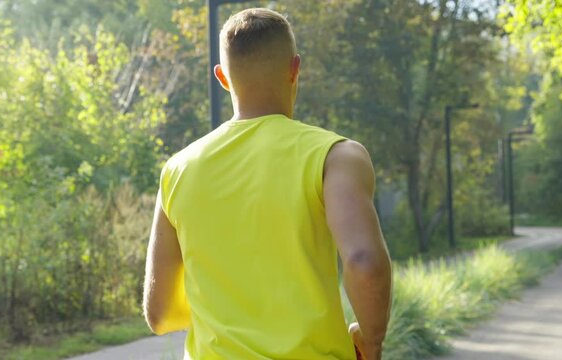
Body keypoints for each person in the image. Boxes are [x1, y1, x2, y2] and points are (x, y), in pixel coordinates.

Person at [142, 7, 392, 360]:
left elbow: (162, 315)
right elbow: (364, 261)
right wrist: (372, 340)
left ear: (223, 78)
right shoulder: (336, 157)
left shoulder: (178, 169)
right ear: (295, 69)